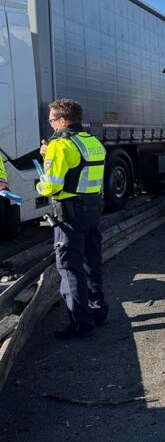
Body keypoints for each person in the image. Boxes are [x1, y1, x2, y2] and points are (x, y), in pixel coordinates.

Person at [37, 99, 108, 339]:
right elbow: (79, 167)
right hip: (92, 210)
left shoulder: (60, 145)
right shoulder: (92, 141)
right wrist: (52, 153)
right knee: (92, 263)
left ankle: (81, 324)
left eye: (52, 120)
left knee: (69, 268)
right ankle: (99, 312)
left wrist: (40, 182)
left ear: (63, 120)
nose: (51, 125)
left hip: (70, 215)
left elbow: (52, 186)